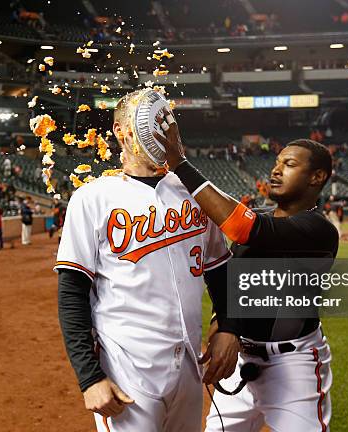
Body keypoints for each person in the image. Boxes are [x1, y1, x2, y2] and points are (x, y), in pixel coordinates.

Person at [56, 91, 239, 432]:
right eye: (145, 122)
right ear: (119, 131)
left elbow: (220, 269)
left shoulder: (194, 193)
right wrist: (89, 377)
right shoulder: (92, 197)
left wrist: (229, 325)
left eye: (164, 122)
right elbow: (71, 294)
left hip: (188, 361)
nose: (160, 132)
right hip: (127, 364)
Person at [155, 111, 339, 432]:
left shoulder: (318, 229)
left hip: (293, 366)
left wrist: (179, 163)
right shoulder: (263, 218)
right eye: (277, 163)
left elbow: (241, 227)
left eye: (290, 165)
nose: (276, 170)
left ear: (317, 177)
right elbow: (232, 279)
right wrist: (222, 323)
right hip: (240, 360)